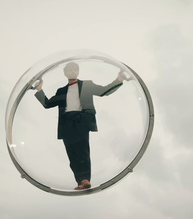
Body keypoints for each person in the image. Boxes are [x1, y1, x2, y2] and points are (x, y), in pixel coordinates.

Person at [33, 62, 126, 190]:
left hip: (81, 121)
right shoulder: (61, 90)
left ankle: (85, 179)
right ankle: (80, 182)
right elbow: (48, 104)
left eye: (74, 69)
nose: (72, 71)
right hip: (67, 124)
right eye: (69, 69)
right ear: (65, 73)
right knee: (72, 154)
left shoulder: (87, 85)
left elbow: (104, 91)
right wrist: (39, 89)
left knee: (83, 152)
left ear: (78, 71)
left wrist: (119, 80)